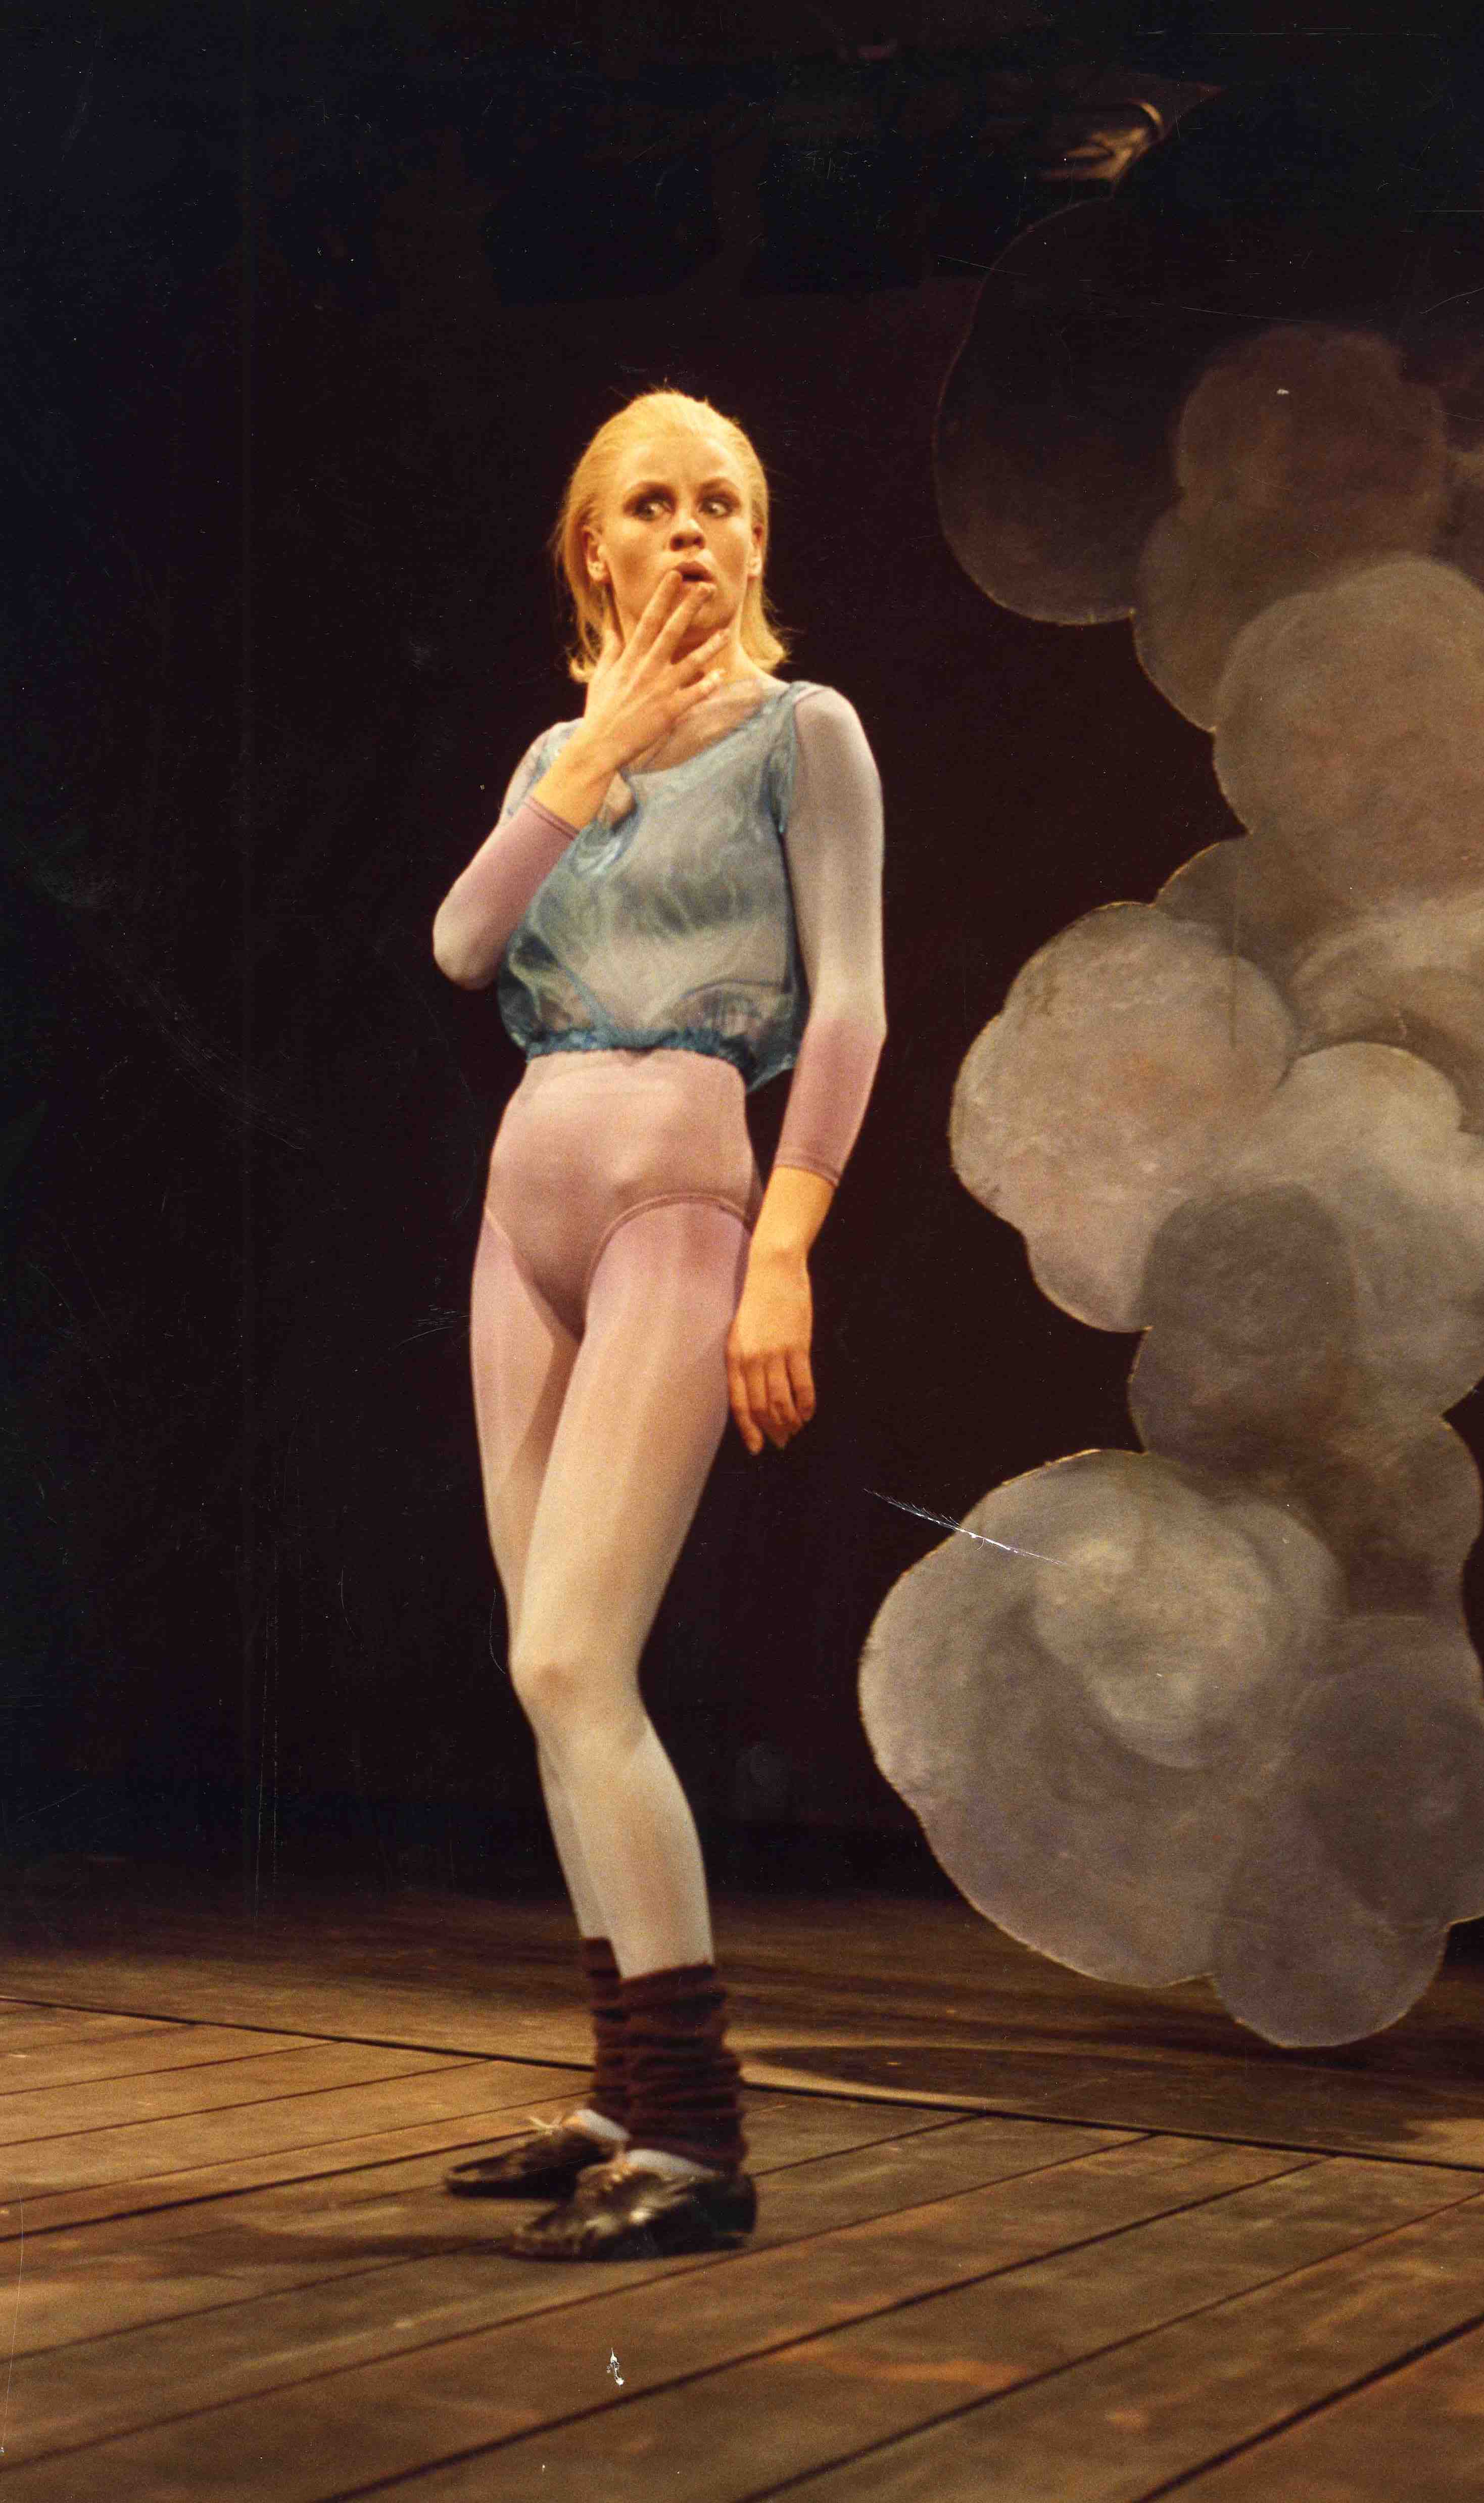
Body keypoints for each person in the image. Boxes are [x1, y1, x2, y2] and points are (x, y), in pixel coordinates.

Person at [430, 389, 885, 2259]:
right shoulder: (560, 754)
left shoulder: (805, 732)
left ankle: (696, 2136)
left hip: (677, 1198)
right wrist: (598, 750)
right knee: (545, 1670)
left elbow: (847, 1008)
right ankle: (625, 2088)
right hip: (522, 1211)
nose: (691, 529)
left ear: (758, 539)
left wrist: (787, 1249)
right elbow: (465, 946)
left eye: (723, 501)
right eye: (650, 504)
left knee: (573, 1659)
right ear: (590, 548)